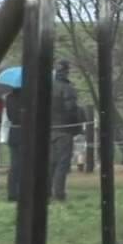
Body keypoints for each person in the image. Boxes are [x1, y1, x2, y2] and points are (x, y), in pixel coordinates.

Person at [50, 60, 85, 202]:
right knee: (62, 163)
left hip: (48, 129)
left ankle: (47, 192)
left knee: (51, 162)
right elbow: (71, 110)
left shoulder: (46, 87)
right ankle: (59, 193)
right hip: (64, 130)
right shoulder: (67, 88)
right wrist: (77, 124)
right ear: (66, 71)